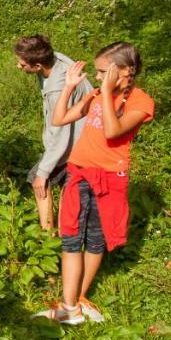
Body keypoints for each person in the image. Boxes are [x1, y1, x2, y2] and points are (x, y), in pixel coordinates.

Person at [35, 42, 155, 324]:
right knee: (71, 238)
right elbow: (60, 118)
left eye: (103, 72)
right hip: (79, 172)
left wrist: (103, 95)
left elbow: (113, 132)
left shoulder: (140, 102)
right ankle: (69, 306)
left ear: (124, 71)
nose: (98, 78)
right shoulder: (97, 94)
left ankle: (76, 301)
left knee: (96, 241)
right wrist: (69, 86)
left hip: (110, 178)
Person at [13, 35, 92, 233]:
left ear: (38, 65)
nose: (18, 67)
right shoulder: (55, 60)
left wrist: (43, 172)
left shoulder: (58, 90)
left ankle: (48, 235)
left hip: (76, 142)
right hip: (82, 137)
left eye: (22, 65)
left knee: (38, 179)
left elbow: (61, 134)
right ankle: (62, 231)